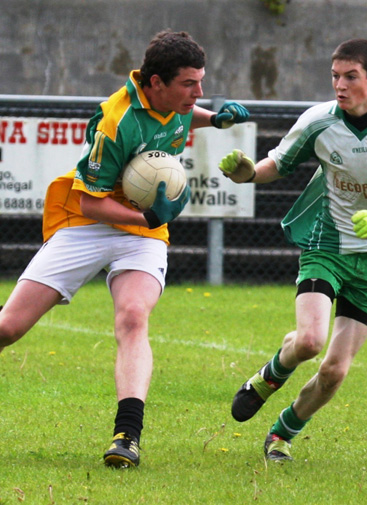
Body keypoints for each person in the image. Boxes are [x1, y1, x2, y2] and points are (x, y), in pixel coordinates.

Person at [0, 29, 249, 468]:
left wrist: (218, 120)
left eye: (201, 81)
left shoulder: (174, 103)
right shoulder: (115, 122)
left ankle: (126, 436)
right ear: (156, 83)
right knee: (9, 328)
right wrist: (148, 217)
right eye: (189, 84)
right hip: (90, 223)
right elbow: (88, 201)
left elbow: (183, 114)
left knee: (134, 317)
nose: (199, 92)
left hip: (143, 232)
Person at [219, 38, 367, 461]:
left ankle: (282, 434)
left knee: (334, 372)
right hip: (328, 244)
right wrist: (249, 173)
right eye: (335, 76)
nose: (340, 85)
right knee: (308, 341)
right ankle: (269, 377)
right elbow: (277, 164)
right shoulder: (319, 120)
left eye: (350, 77)